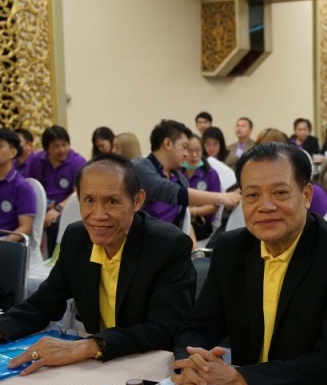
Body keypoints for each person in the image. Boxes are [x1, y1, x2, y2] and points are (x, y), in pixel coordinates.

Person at [172, 142, 327, 385]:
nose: (265, 206)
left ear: (307, 195)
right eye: (252, 195)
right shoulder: (232, 248)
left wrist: (242, 379)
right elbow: (200, 325)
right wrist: (192, 364)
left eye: (280, 193)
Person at [0, 154, 196, 373]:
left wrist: (88, 346)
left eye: (112, 201)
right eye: (89, 200)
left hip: (149, 365)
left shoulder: (167, 245)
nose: (98, 215)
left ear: (138, 200)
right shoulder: (77, 238)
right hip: (96, 364)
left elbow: (164, 328)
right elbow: (43, 303)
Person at [132, 119, 240, 228]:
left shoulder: (180, 178)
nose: (186, 154)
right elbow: (170, 191)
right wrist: (223, 198)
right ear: (167, 144)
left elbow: (183, 220)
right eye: (184, 147)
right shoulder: (139, 168)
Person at [26, 125, 87, 253]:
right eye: (56, 146)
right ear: (47, 148)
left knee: (55, 225)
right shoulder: (36, 160)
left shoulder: (78, 162)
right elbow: (29, 186)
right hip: (41, 206)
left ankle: (54, 259)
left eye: (64, 145)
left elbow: (77, 192)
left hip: (65, 207)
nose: (62, 150)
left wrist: (57, 209)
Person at [181, 134, 221, 241]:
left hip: (202, 223)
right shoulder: (177, 172)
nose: (194, 155)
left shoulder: (210, 174)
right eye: (190, 150)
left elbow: (215, 206)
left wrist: (191, 212)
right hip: (179, 219)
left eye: (198, 150)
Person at [0, 128, 35, 241]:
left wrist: (4, 244)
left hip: (6, 242)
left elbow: (25, 227)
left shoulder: (22, 187)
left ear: (13, 152)